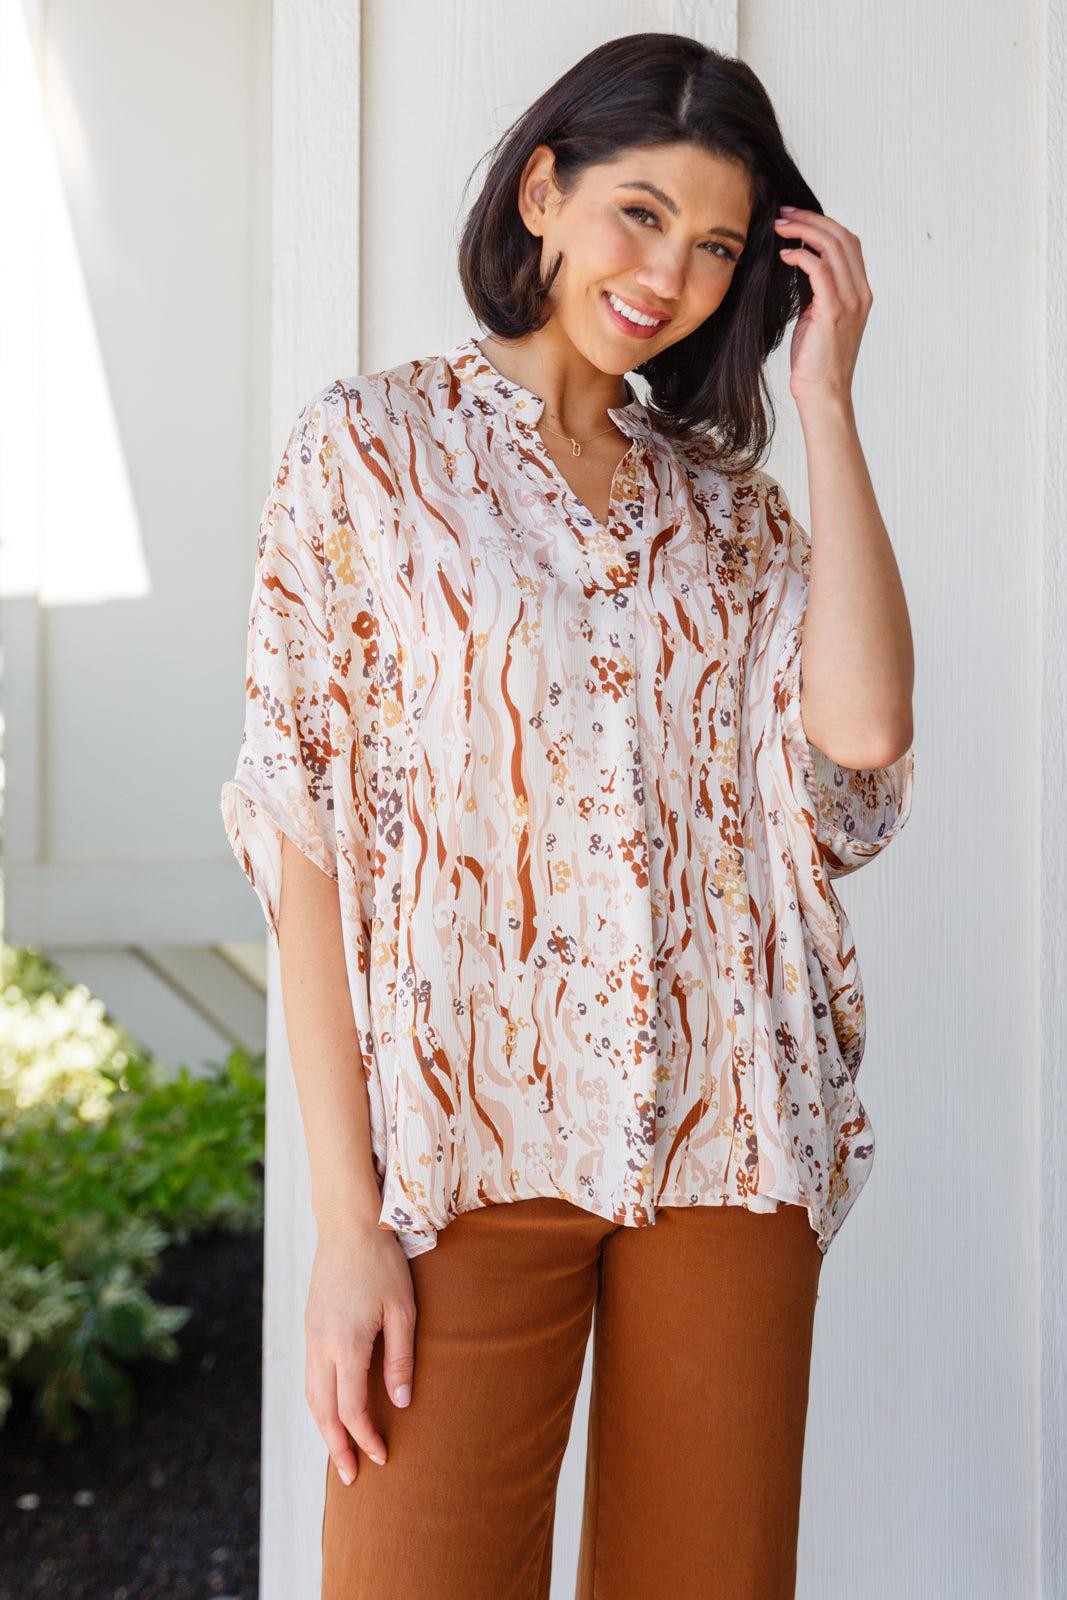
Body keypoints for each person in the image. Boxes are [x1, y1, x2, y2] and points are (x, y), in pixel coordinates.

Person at [221, 31, 914, 1600]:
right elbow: (302, 834)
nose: (670, 274)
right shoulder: (371, 453)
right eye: (641, 214)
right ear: (544, 190)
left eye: (718, 246)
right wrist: (347, 1225)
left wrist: (827, 404)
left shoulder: (731, 516)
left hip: (725, 1136)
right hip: (463, 1146)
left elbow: (864, 741)